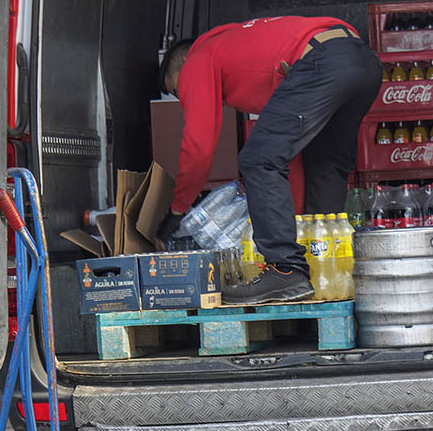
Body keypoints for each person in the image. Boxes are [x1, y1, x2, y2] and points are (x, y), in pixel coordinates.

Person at [156, 16, 382, 305]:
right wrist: (297, 223)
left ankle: (285, 269)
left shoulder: (199, 59)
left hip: (322, 59)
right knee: (323, 165)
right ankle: (322, 267)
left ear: (182, 66)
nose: (182, 97)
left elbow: (199, 148)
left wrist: (176, 211)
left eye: (177, 91)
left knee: (256, 159)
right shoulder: (245, 50)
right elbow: (292, 160)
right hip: (361, 60)